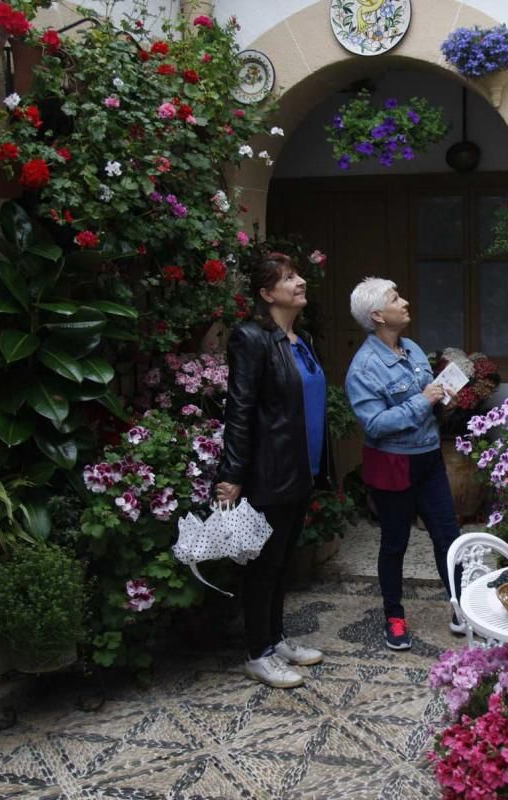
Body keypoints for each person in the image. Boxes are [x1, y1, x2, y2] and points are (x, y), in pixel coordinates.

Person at [215, 252, 332, 688]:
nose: (300, 282)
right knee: (264, 566)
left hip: (303, 469)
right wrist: (231, 474)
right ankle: (257, 652)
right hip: (270, 471)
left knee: (283, 561)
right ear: (267, 294)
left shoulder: (301, 341)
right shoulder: (251, 338)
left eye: (298, 275)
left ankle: (277, 639)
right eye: (289, 278)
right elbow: (240, 409)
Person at [344, 277, 465, 651]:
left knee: (449, 537)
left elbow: (428, 397)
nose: (406, 302)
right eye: (396, 298)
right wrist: (423, 402)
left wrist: (446, 399)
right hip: (392, 465)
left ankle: (461, 607)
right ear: (377, 315)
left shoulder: (410, 348)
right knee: (394, 543)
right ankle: (393, 616)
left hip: (428, 458)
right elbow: (376, 425)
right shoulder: (363, 369)